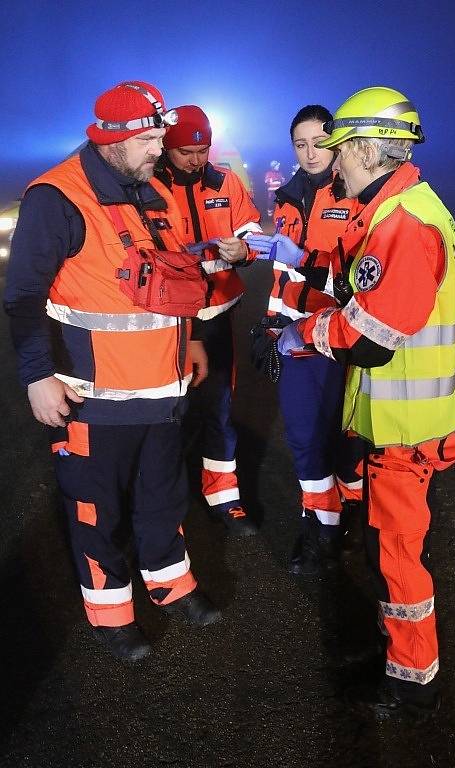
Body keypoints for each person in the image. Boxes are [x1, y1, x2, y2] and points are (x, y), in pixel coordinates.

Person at [4, 81, 221, 663]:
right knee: (97, 512)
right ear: (113, 140)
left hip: (163, 393)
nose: (160, 149)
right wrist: (36, 376)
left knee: (163, 498)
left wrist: (194, 339)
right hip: (93, 402)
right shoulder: (56, 198)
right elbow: (23, 296)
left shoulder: (153, 191)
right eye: (150, 139)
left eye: (161, 137)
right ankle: (112, 614)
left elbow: (175, 279)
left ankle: (172, 585)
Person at [272, 87, 455, 719]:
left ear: (364, 149)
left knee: (398, 561)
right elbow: (365, 293)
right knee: (391, 554)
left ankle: (414, 684)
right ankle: (405, 659)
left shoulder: (405, 223)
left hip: (408, 429)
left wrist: (301, 333)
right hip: (411, 420)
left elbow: (369, 337)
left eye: (340, 152)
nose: (334, 165)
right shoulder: (398, 210)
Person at [248, 105, 363, 575]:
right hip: (298, 341)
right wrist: (270, 323)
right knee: (303, 439)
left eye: (320, 141)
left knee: (350, 444)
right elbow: (282, 273)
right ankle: (321, 528)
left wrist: (306, 257)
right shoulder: (289, 196)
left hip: (346, 339)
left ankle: (354, 522)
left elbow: (359, 279)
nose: (311, 152)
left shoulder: (357, 195)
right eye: (301, 144)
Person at [155, 105, 262, 535]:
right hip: (167, 325)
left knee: (218, 411)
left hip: (216, 319)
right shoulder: (148, 186)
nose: (197, 160)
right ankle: (165, 504)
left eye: (203, 149)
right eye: (186, 151)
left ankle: (224, 497)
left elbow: (252, 227)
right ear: (166, 146)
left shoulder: (225, 180)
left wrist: (246, 249)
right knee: (168, 415)